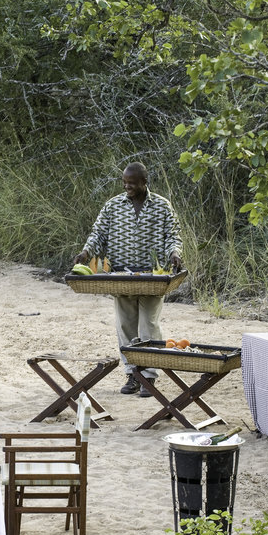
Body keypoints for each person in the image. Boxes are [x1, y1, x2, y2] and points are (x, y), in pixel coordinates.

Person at [75, 162, 183, 396]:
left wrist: (175, 253)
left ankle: (149, 376)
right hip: (121, 275)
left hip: (153, 275)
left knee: (149, 325)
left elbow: (172, 236)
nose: (127, 187)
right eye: (124, 183)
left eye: (132, 184)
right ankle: (132, 374)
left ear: (145, 183)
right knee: (125, 325)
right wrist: (86, 252)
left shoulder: (162, 207)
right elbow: (98, 234)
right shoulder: (113, 206)